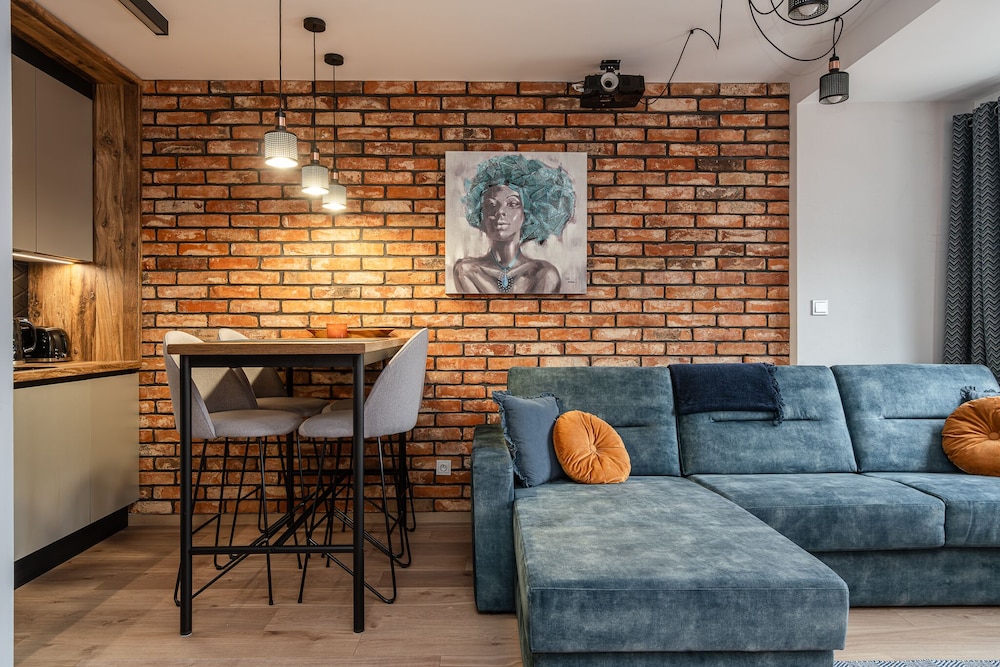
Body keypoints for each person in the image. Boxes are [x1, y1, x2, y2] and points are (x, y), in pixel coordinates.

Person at [452, 154, 576, 294]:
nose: (499, 212)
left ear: (528, 212)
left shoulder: (544, 274)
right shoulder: (466, 271)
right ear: (482, 214)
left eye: (512, 204)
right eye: (491, 205)